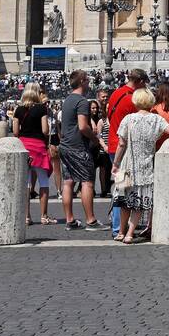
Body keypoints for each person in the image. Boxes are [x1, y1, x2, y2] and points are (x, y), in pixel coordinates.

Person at [111, 88, 169, 243]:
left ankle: (120, 232)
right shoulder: (156, 120)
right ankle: (130, 234)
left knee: (124, 200)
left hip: (126, 164)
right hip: (145, 166)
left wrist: (115, 164)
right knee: (139, 201)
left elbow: (121, 144)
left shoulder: (128, 119)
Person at [59, 71, 104, 231]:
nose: (89, 83)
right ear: (83, 81)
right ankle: (91, 220)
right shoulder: (82, 101)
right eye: (88, 80)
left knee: (68, 182)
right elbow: (83, 126)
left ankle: (69, 220)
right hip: (78, 147)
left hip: (65, 146)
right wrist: (95, 139)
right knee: (87, 182)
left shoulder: (67, 100)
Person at [106, 69, 149, 236]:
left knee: (121, 187)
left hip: (113, 144)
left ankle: (120, 224)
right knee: (123, 190)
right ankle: (118, 228)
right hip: (122, 148)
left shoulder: (116, 93)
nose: (145, 86)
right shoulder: (133, 98)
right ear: (139, 81)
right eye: (144, 83)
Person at [12, 82, 56, 226]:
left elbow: (15, 132)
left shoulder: (18, 109)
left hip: (24, 147)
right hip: (38, 147)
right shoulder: (41, 108)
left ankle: (26, 216)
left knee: (26, 183)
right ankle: (43, 216)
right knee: (43, 181)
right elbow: (45, 130)